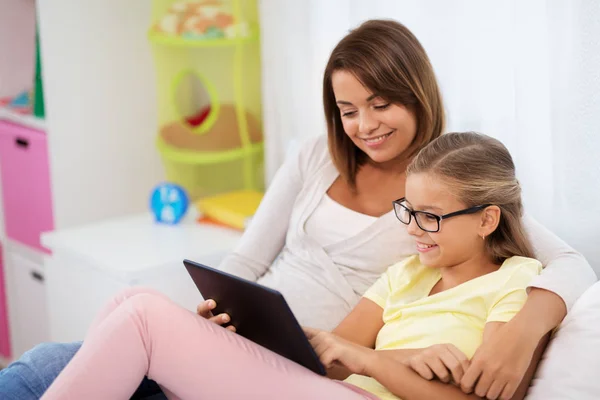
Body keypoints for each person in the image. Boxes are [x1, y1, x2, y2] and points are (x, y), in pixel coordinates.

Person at [0, 19, 595, 400]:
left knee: (122, 328)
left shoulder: (447, 192)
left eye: (381, 103)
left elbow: (564, 259)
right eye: (347, 109)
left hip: (308, 366)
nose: (364, 125)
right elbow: (248, 260)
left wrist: (522, 328)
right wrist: (215, 310)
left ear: (417, 95)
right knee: (52, 358)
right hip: (279, 341)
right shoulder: (320, 160)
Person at [41, 132, 544, 400]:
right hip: (329, 390)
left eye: (429, 218)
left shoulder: (517, 282)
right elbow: (330, 355)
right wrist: (260, 328)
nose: (411, 229)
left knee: (143, 320)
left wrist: (374, 361)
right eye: (407, 211)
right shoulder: (405, 275)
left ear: (487, 220)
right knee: (135, 300)